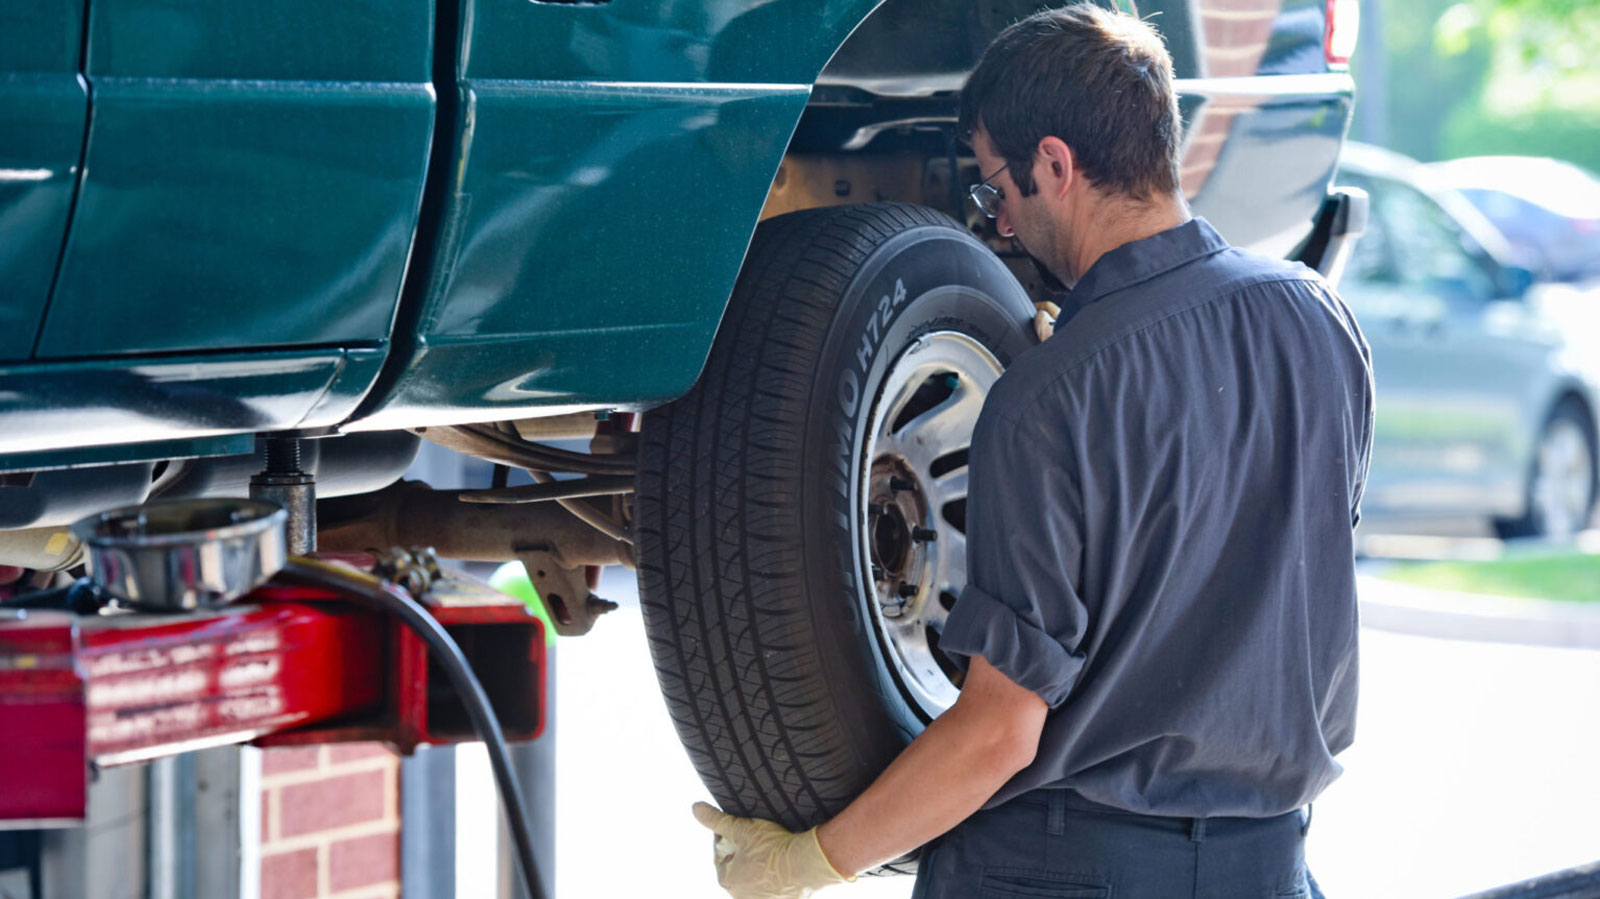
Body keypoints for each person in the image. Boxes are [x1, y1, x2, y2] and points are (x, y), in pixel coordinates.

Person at [691, 5, 1374, 897]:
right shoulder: (1317, 320)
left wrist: (814, 856)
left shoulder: (1048, 398)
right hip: (1270, 863)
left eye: (994, 191)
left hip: (1072, 868)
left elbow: (998, 732)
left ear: (1056, 164)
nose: (1000, 227)